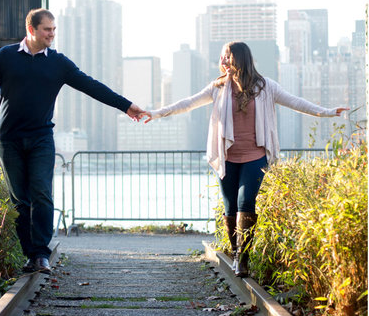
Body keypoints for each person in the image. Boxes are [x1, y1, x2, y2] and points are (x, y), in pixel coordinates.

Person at [0, 8, 148, 275]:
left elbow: (91, 85)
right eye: (47, 29)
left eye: (54, 29)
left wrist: (126, 106)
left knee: (42, 194)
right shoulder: (5, 56)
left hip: (41, 137)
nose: (52, 34)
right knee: (20, 200)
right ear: (31, 29)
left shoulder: (58, 63)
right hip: (9, 138)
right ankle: (28, 254)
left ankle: (41, 255)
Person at [145, 41, 347, 278]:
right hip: (228, 157)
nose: (222, 62)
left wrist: (327, 112)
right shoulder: (218, 88)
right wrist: (156, 113)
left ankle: (243, 259)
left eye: (227, 57)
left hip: (255, 156)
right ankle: (235, 252)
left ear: (240, 59)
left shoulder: (265, 87)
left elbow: (295, 102)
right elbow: (187, 103)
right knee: (230, 206)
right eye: (221, 57)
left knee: (245, 201)